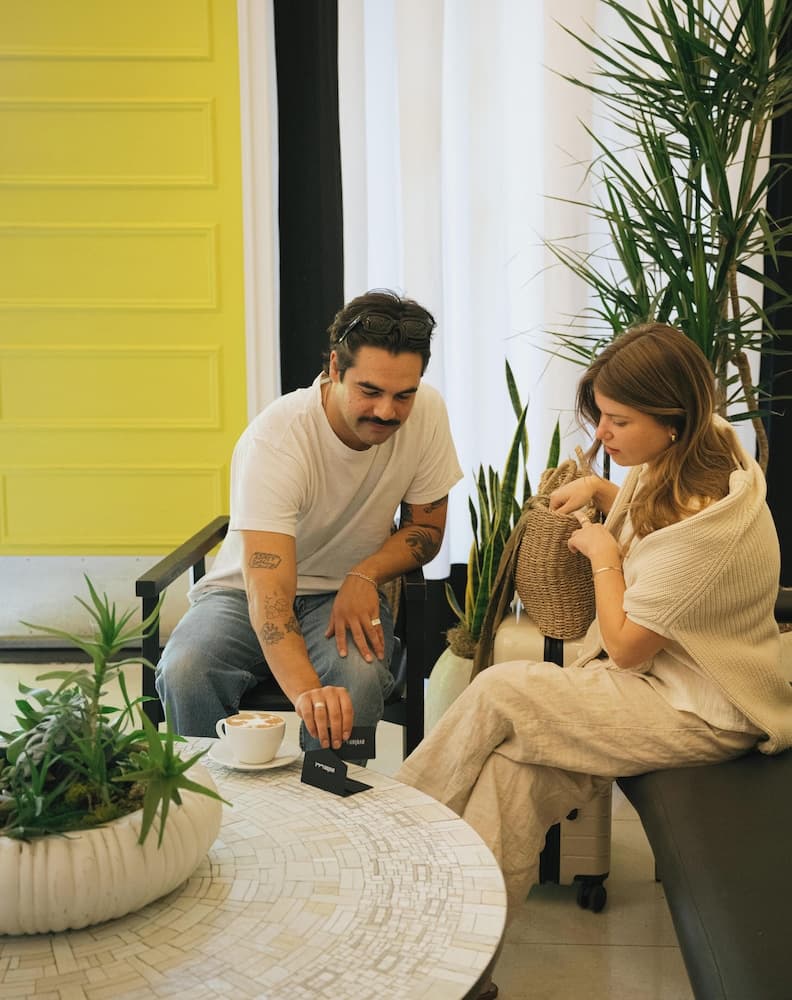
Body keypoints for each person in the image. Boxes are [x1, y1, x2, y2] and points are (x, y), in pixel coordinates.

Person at [396, 323, 792, 1000]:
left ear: (672, 419)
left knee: (499, 691)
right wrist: (607, 497)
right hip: (670, 681)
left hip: (700, 707)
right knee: (510, 783)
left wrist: (606, 555)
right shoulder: (712, 448)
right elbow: (658, 507)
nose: (602, 435)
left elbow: (630, 641)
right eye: (600, 416)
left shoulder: (706, 534)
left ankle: (389, 836)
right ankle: (456, 973)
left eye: (618, 420)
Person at [156, 289, 463, 751]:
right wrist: (306, 692)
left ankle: (330, 807)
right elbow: (271, 597)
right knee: (185, 669)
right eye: (370, 391)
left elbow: (428, 530)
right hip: (246, 593)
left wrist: (365, 574)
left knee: (356, 682)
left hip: (344, 593)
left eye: (404, 395)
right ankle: (208, 802)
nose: (387, 411)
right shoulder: (277, 440)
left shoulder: (428, 412)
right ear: (334, 370)